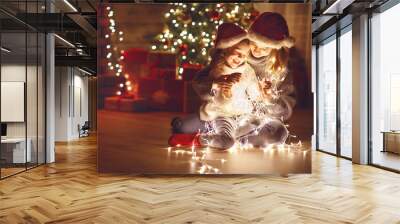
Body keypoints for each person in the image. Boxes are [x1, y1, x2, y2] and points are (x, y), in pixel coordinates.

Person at [169, 22, 288, 150]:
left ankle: (237, 137)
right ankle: (199, 137)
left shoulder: (248, 71)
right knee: (221, 139)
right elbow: (204, 88)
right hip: (222, 116)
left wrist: (262, 90)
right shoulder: (217, 71)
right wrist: (220, 85)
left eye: (244, 55)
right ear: (225, 51)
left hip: (244, 116)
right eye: (237, 53)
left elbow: (254, 95)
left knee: (267, 126)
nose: (240, 57)